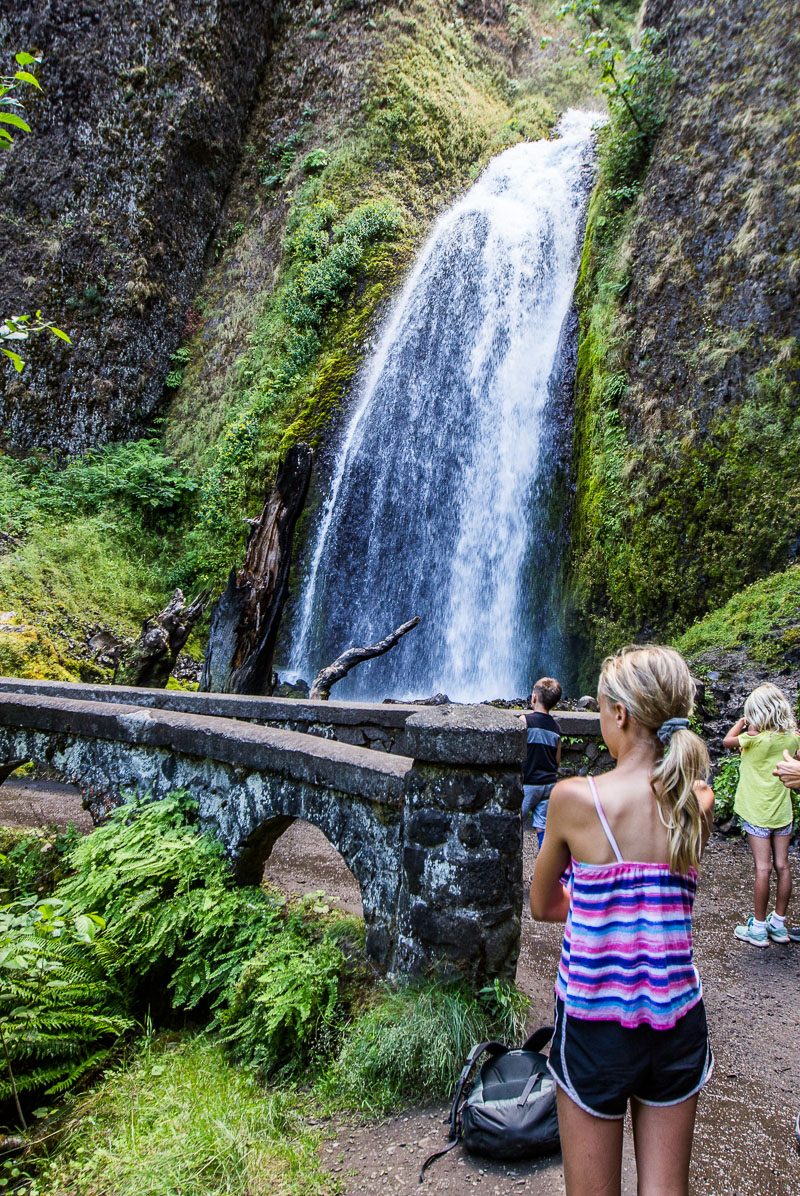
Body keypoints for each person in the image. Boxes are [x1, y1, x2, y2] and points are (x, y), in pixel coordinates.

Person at [531, 645, 714, 1196]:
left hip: (594, 1024)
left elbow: (542, 904)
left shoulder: (573, 800)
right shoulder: (696, 801)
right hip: (677, 1019)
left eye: (602, 710)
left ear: (620, 715)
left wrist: (591, 909)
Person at [722, 683, 800, 947]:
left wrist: (743, 723)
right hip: (782, 813)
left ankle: (756, 927)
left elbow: (727, 741)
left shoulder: (753, 739)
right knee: (783, 865)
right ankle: (778, 924)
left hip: (757, 814)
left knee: (762, 868)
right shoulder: (792, 738)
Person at [519, 677, 562, 849]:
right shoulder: (556, 728)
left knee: (515, 821)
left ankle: (510, 866)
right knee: (542, 827)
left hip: (528, 783)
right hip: (548, 784)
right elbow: (557, 760)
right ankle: (541, 873)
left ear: (534, 698)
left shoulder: (525, 720)